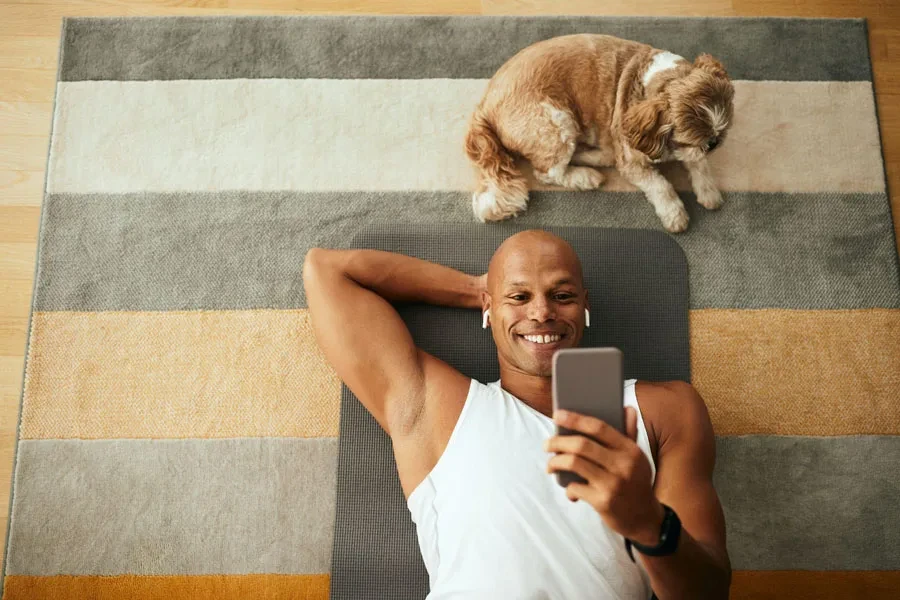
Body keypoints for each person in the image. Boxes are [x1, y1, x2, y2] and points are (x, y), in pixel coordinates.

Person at [303, 230, 730, 599]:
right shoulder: (435, 407)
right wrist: (479, 291)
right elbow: (327, 272)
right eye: (520, 296)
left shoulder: (664, 410)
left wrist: (648, 523)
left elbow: (708, 594)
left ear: (585, 305)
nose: (541, 312)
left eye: (561, 296)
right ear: (491, 308)